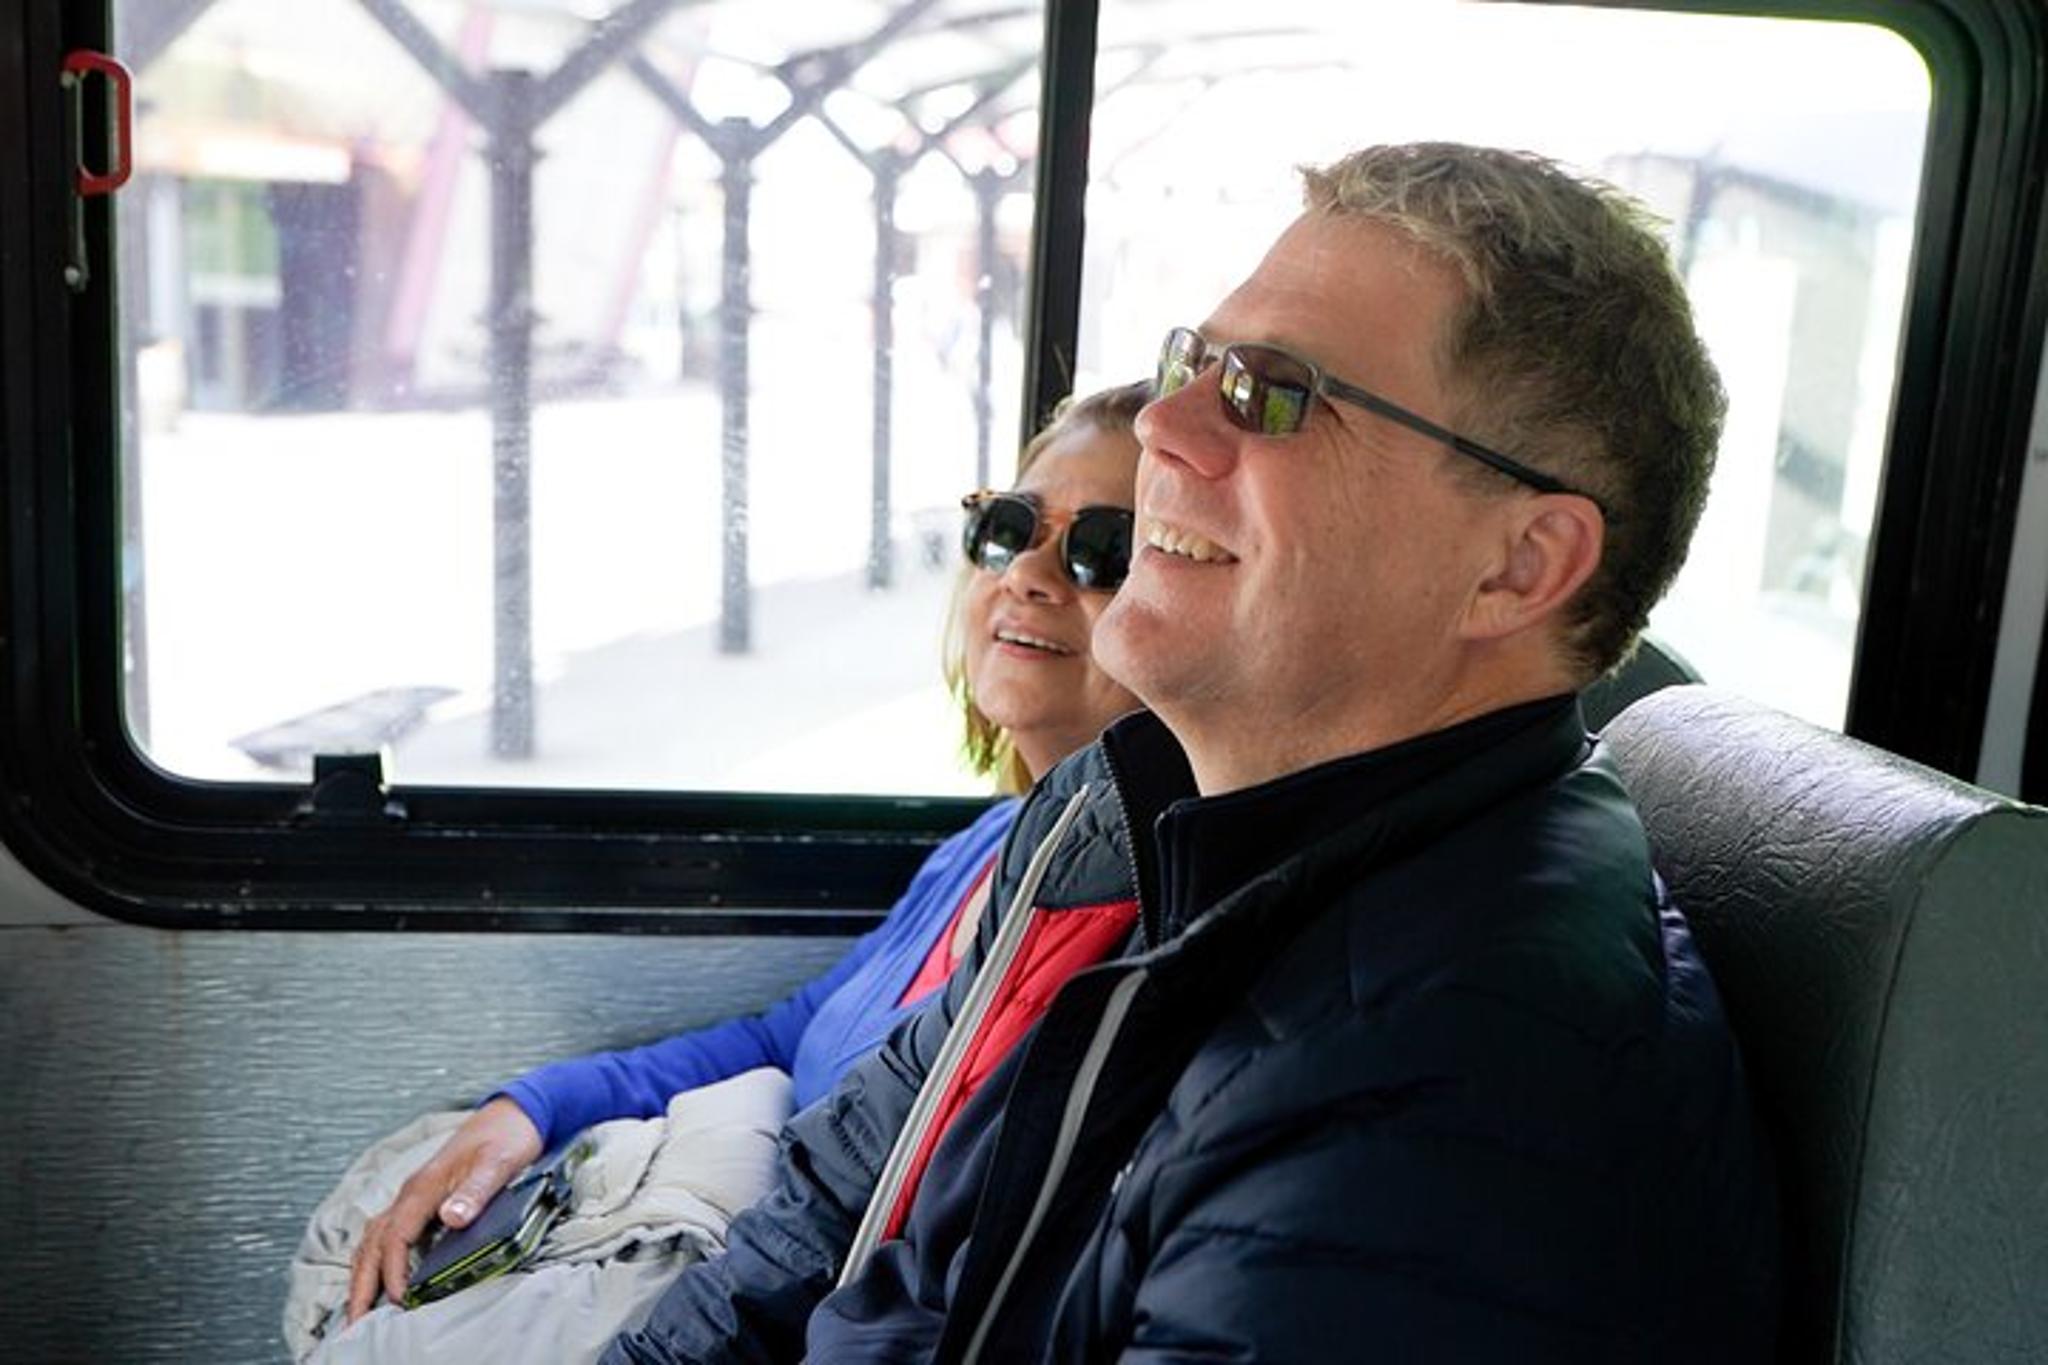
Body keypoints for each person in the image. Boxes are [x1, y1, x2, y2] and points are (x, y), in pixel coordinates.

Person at [602, 142, 1780, 1364]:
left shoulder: (1448, 1097)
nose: (1162, 425)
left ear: (1515, 566)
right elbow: (837, 1205)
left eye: (1270, 393)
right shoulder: (1120, 817)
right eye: (1191, 363)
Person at [304, 381, 1148, 1356]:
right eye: (1008, 529)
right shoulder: (988, 852)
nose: (1029, 575)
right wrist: (534, 1109)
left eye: (1101, 551)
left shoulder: (1125, 928)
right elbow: (786, 1037)